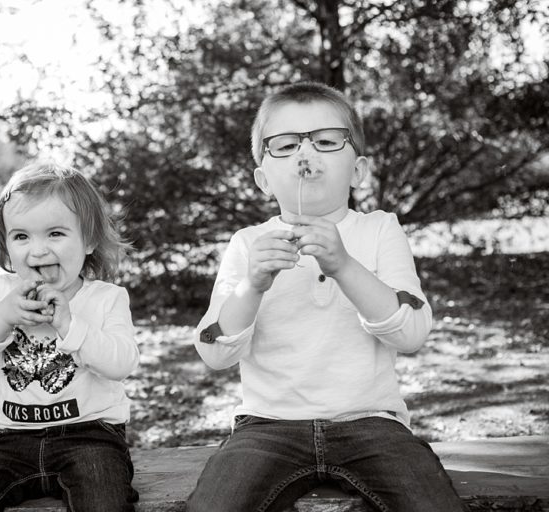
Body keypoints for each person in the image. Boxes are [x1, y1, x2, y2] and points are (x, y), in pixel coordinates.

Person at [187, 82, 467, 512]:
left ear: (358, 170)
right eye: (284, 144)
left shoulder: (378, 230)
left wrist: (344, 266)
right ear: (263, 179)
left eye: (325, 141)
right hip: (267, 427)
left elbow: (411, 333)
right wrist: (253, 285)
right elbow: (214, 352)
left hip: (372, 423)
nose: (305, 154)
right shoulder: (248, 244)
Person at [0, 162, 140, 512]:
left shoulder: (106, 297)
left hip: (91, 438)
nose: (37, 251)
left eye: (55, 234)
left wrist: (71, 326)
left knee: (104, 505)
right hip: (13, 440)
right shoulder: (4, 293)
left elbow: (122, 364)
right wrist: (2, 317)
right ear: (7, 246)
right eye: (21, 236)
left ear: (88, 241)